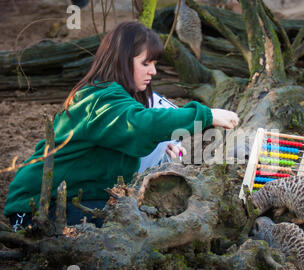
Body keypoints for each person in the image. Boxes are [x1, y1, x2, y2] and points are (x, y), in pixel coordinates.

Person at [4, 21, 239, 230]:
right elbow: (140, 125)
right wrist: (207, 115)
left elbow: (129, 138)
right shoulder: (98, 98)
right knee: (129, 230)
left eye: (154, 63)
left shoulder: (117, 97)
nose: (153, 71)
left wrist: (161, 151)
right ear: (123, 61)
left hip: (81, 197)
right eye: (145, 63)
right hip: (35, 208)